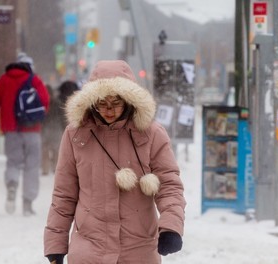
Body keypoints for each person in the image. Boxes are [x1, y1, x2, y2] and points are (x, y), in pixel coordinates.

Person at [43, 60, 186, 263]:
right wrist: (55, 243)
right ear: (92, 101)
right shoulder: (75, 135)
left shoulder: (152, 134)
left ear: (129, 100)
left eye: (116, 103)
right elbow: (64, 195)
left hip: (138, 248)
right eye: (102, 103)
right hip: (89, 248)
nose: (109, 110)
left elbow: (169, 185)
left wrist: (171, 227)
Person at [0, 53, 50, 216]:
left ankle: (12, 184)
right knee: (32, 166)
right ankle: (27, 203)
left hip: (11, 131)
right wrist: (35, 118)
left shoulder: (3, 80)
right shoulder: (34, 80)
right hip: (32, 131)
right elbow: (45, 101)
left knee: (13, 162)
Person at [41, 81, 79, 175]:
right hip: (51, 130)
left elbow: (61, 117)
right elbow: (62, 117)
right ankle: (50, 168)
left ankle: (50, 168)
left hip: (52, 130)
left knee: (51, 150)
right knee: (50, 150)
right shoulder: (54, 103)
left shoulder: (50, 103)